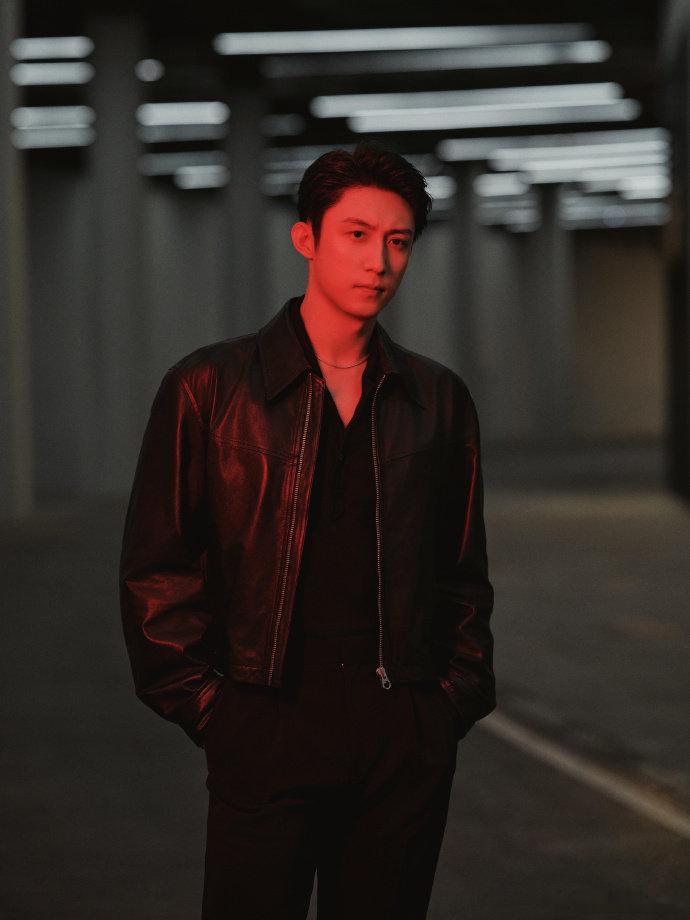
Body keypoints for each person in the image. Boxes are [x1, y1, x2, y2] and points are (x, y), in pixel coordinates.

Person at [119, 139, 495, 920]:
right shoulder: (209, 388)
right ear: (306, 239)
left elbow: (461, 571)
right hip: (266, 724)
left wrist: (445, 704)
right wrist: (213, 711)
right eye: (356, 234)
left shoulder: (437, 398)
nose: (378, 262)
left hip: (400, 734)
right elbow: (157, 567)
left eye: (398, 242)